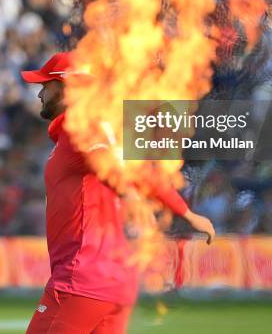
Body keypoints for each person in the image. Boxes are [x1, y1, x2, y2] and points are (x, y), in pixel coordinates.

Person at [21, 52, 215, 334]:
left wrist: (131, 194)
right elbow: (141, 172)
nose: (40, 93)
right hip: (114, 285)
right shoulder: (90, 129)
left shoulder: (81, 128)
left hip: (80, 281)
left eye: (46, 85)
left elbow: (115, 167)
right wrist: (187, 213)